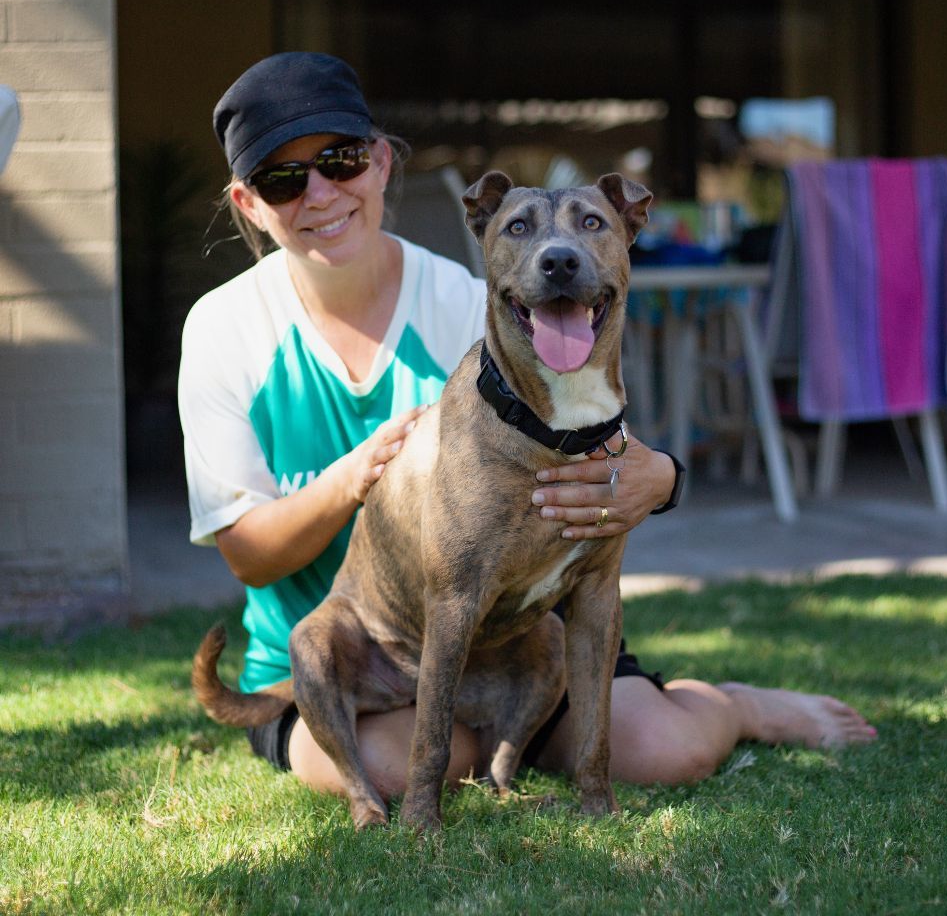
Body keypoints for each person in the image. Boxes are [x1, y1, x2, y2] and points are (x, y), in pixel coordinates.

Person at [179, 52, 876, 804]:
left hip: (510, 639)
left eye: (340, 161)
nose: (319, 193)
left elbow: (588, 425)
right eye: (284, 180)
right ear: (249, 203)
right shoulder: (225, 329)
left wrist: (665, 476)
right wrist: (356, 477)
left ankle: (735, 702)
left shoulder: (474, 297)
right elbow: (248, 556)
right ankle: (478, 746)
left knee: (666, 747)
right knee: (403, 767)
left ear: (380, 164)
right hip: (355, 657)